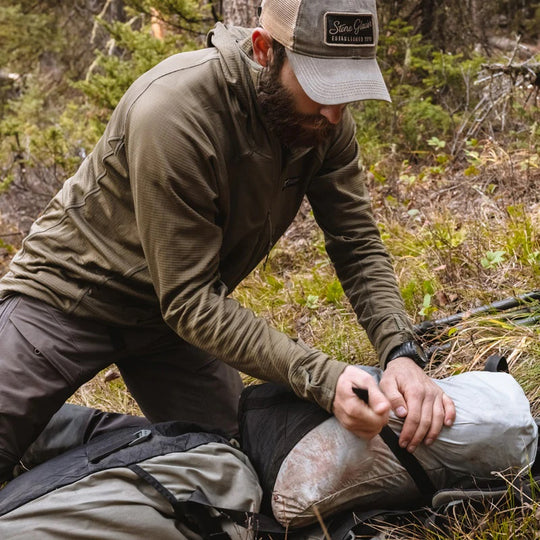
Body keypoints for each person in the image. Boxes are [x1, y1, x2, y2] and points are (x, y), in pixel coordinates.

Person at [0, 0, 455, 482]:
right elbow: (190, 299)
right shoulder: (175, 112)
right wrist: (325, 378)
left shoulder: (326, 121)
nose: (333, 110)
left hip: (170, 323)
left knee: (237, 470)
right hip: (68, 299)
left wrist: (400, 353)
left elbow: (356, 242)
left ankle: (70, 439)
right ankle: (43, 434)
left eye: (348, 90)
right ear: (264, 50)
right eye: (320, 86)